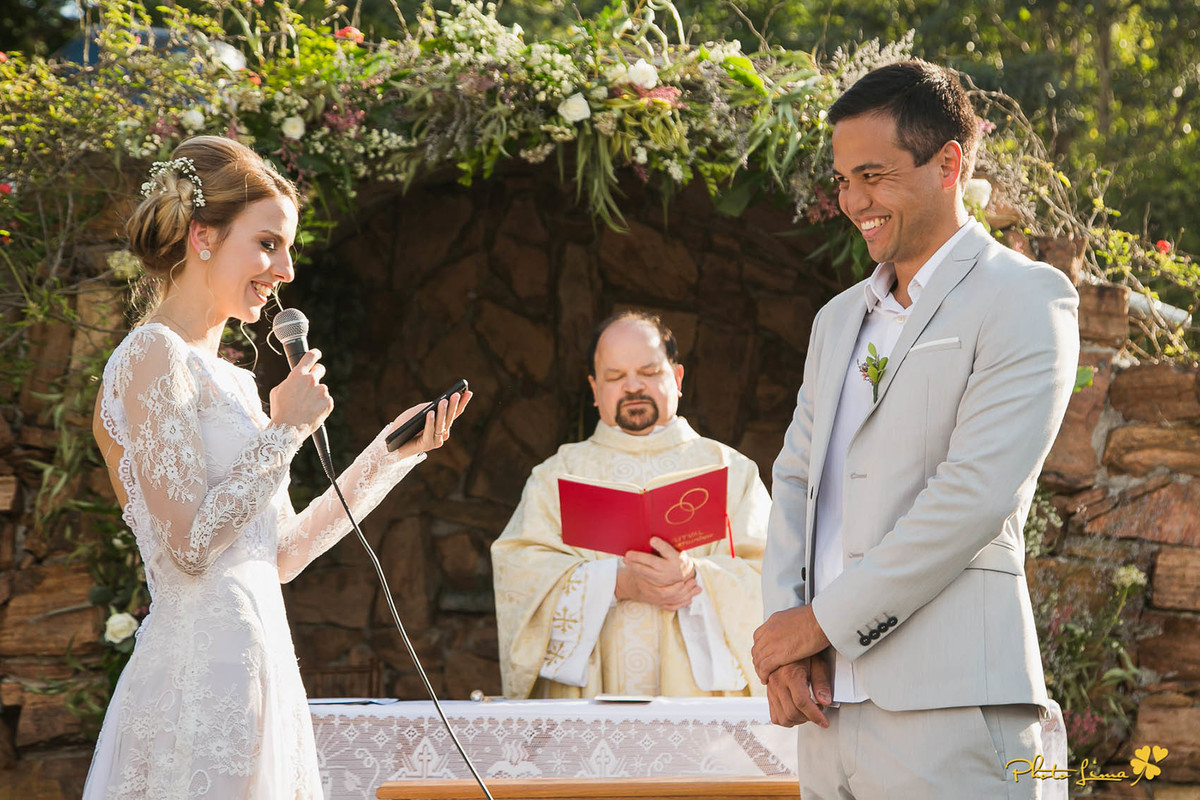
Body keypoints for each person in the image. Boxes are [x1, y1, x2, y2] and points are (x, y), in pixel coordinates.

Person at [83, 136, 470, 799]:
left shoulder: (233, 384)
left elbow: (279, 554)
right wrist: (286, 427)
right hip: (198, 684)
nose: (286, 269)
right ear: (203, 236)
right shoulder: (153, 355)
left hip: (259, 673)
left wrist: (388, 457)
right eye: (268, 244)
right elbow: (190, 548)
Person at [754, 61, 1079, 799]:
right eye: (842, 181)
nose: (854, 202)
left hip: (951, 709)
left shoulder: (1025, 298)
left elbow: (970, 497)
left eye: (873, 175)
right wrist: (785, 645)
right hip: (828, 714)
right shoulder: (836, 321)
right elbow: (797, 481)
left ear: (948, 164)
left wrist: (817, 624)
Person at [492, 311, 769, 699]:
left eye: (649, 372)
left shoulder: (732, 471)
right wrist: (617, 583)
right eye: (615, 376)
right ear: (594, 388)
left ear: (677, 377)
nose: (633, 386)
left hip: (698, 708)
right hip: (591, 705)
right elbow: (519, 577)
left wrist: (695, 576)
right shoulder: (556, 476)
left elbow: (771, 577)